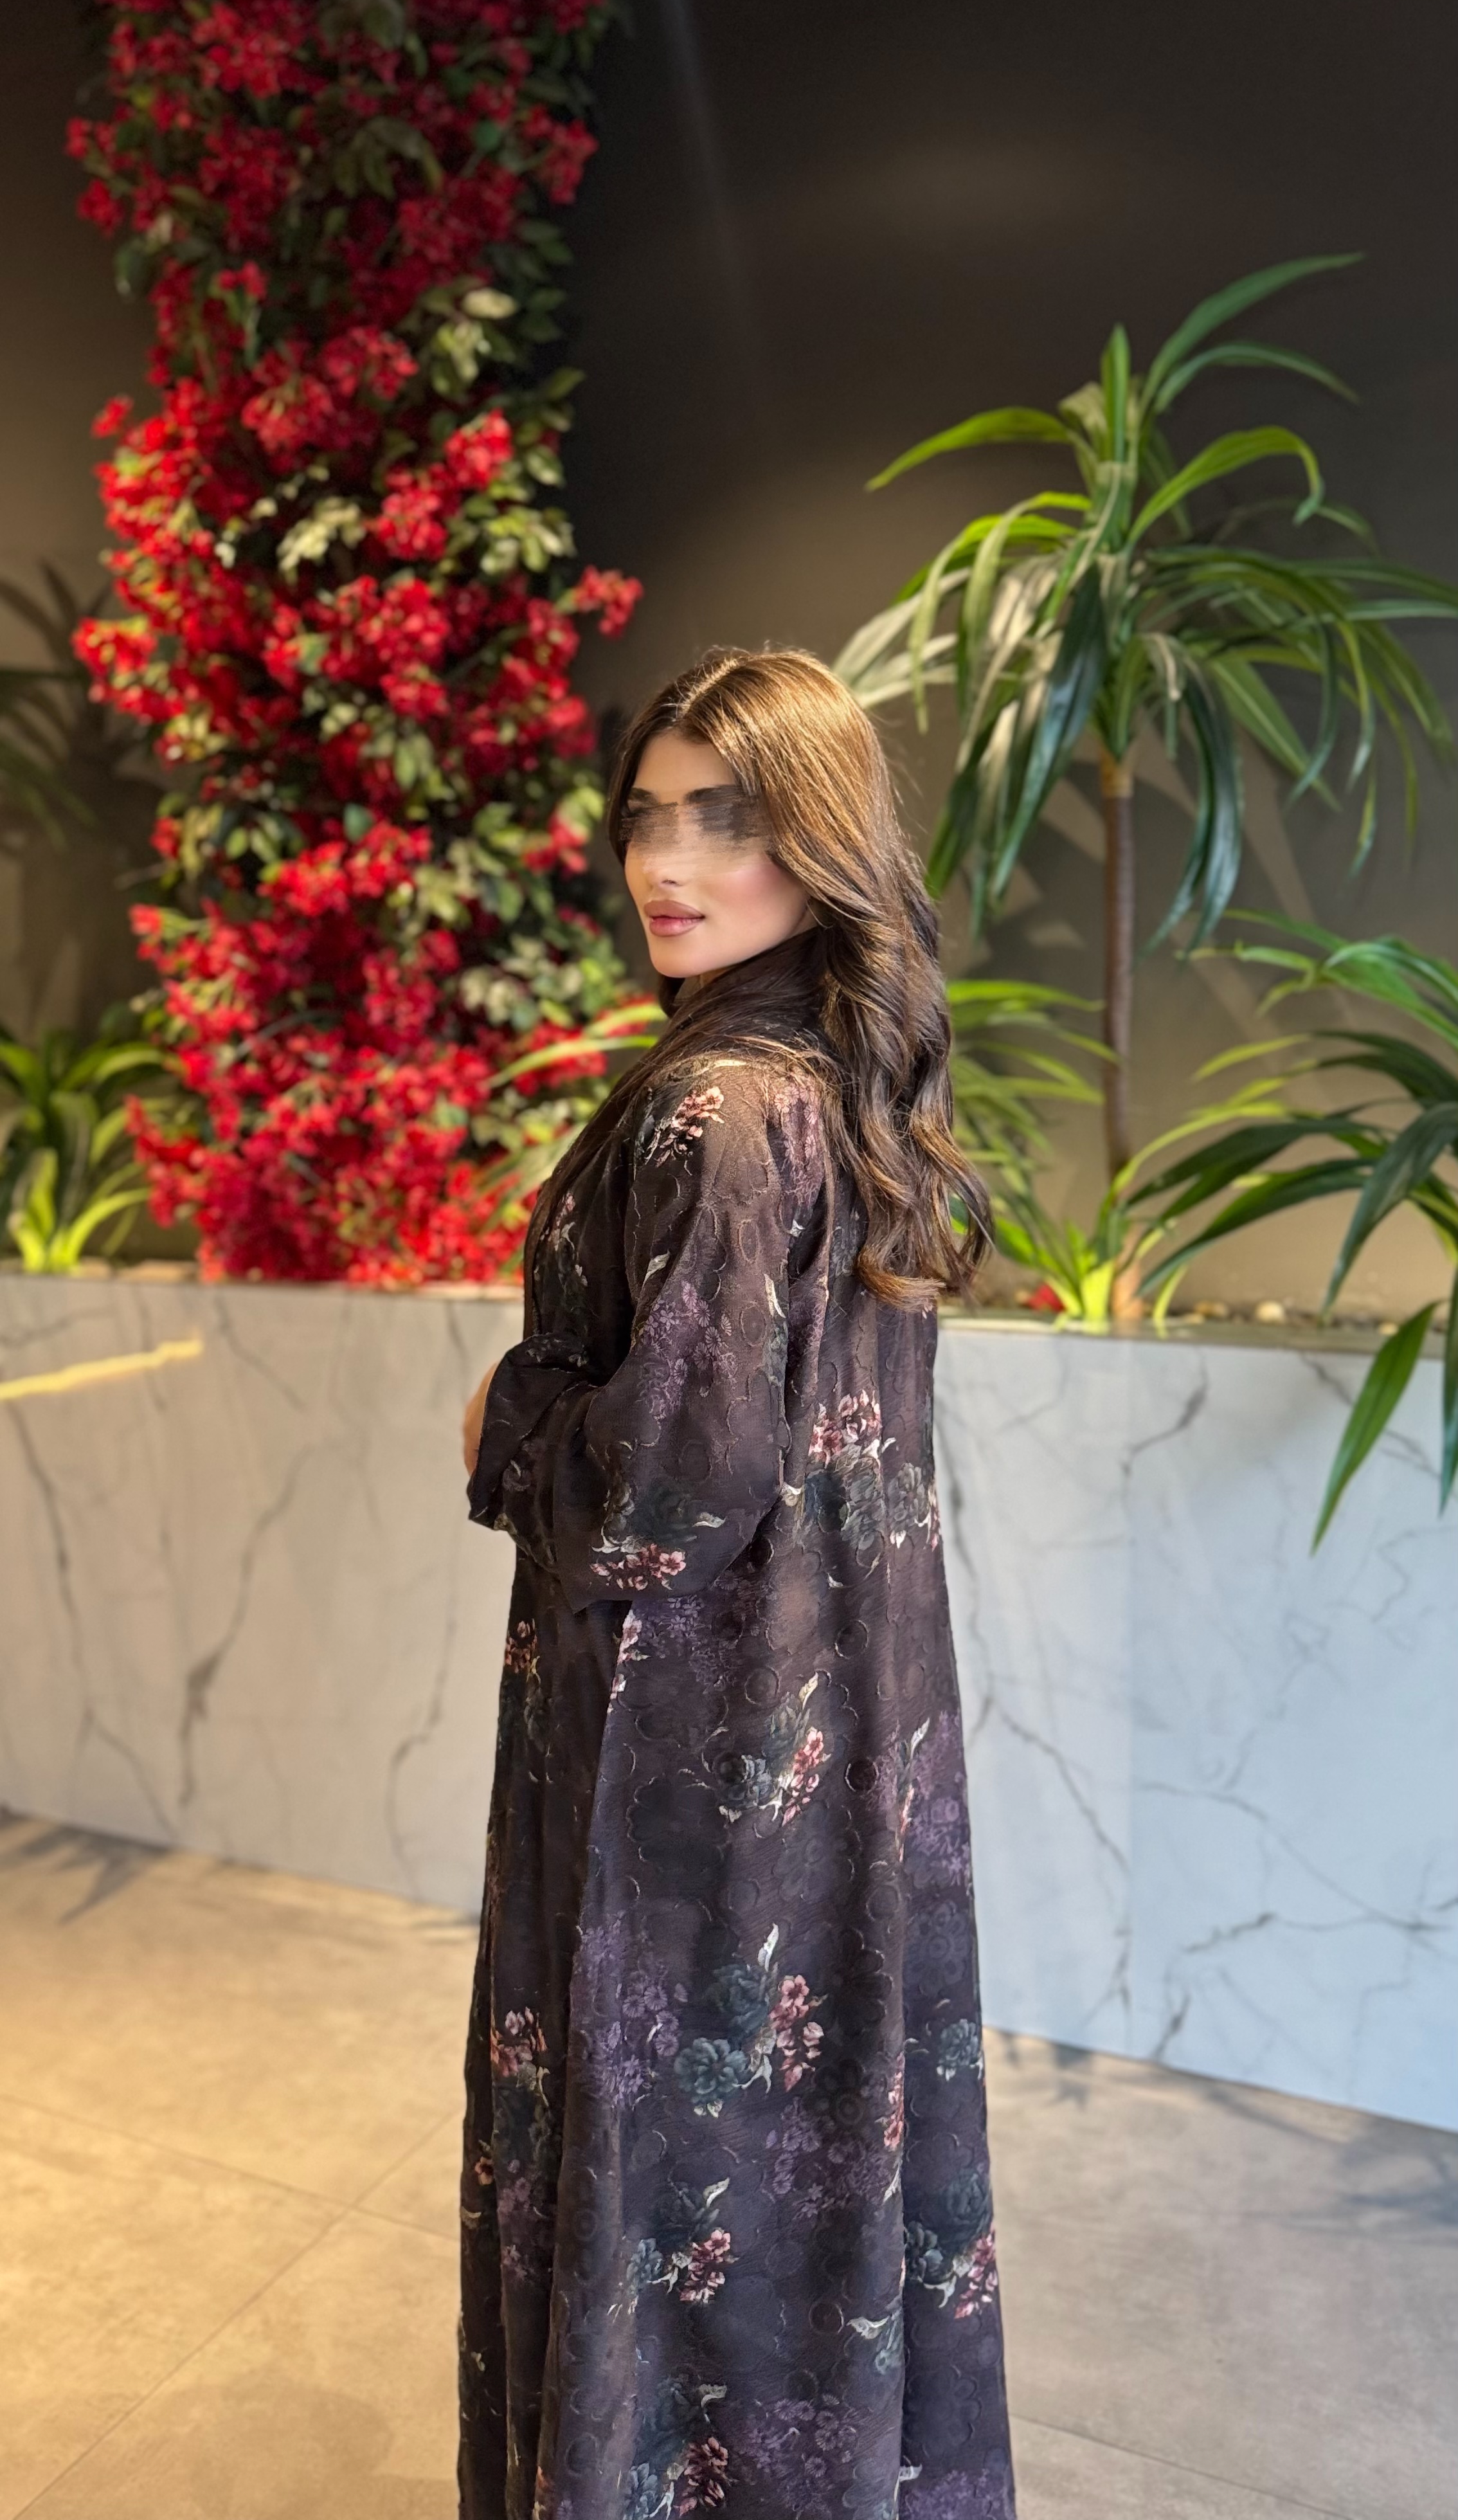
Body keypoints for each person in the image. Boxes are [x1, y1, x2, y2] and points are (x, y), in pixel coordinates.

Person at [457, 647, 1016, 2520]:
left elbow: (668, 1491)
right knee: (798, 2166)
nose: (664, 863)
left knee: (673, 2174)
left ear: (818, 840)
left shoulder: (715, 1109)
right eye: (646, 817)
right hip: (839, 1738)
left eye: (726, 820)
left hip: (681, 1758)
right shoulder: (842, 1087)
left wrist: (510, 1423)